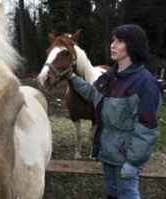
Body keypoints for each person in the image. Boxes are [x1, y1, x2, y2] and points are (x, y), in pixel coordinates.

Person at [68, 24, 162, 199]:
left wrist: (133, 162)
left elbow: (147, 129)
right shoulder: (110, 76)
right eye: (112, 41)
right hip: (109, 151)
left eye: (119, 41)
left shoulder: (144, 83)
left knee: (127, 193)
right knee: (112, 191)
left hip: (127, 154)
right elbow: (92, 93)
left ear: (133, 45)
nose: (113, 45)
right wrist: (73, 78)